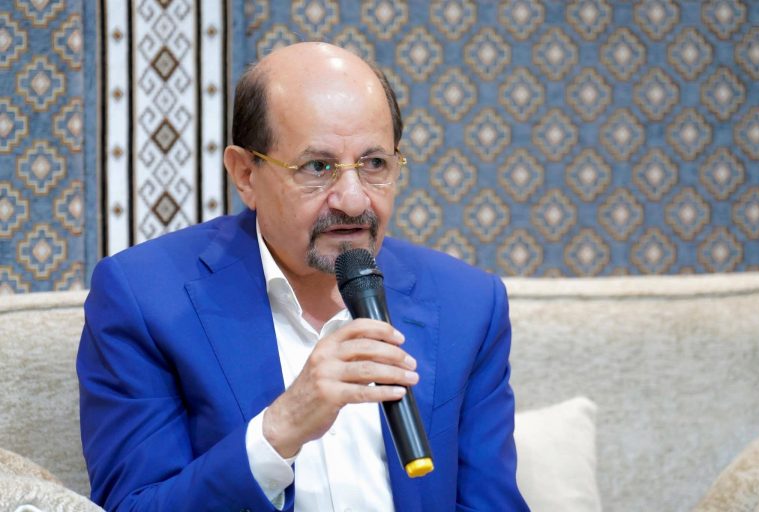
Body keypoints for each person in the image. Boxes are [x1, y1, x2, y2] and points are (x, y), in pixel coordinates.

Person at [77, 42, 529, 511]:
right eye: (318, 167)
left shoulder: (468, 304)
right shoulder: (144, 300)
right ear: (245, 174)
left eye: (374, 164)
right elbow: (135, 505)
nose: (353, 200)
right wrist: (280, 429)